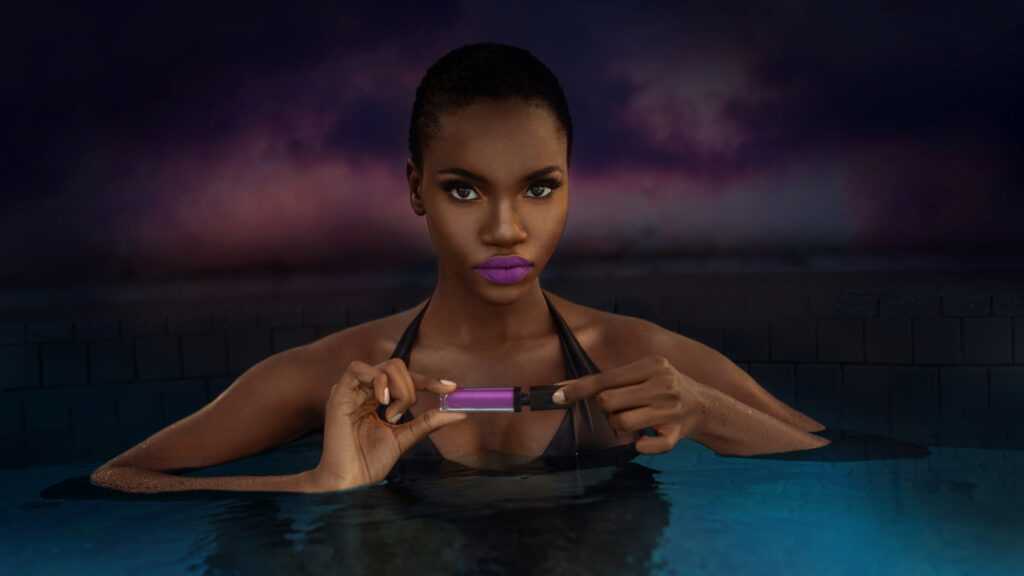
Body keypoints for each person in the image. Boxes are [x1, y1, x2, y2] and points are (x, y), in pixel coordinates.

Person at [90, 42, 829, 494]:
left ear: (571, 185)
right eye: (465, 190)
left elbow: (832, 455)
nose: (506, 229)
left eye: (539, 188)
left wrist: (707, 413)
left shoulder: (635, 357)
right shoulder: (340, 374)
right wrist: (316, 484)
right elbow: (114, 478)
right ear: (417, 189)